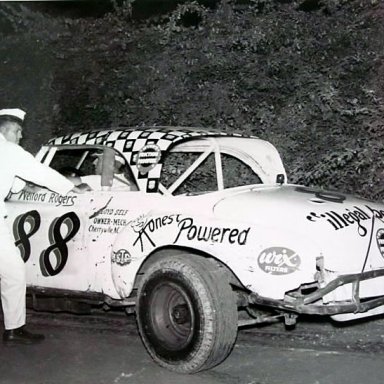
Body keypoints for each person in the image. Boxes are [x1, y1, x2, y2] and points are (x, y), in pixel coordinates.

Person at [0, 108, 86, 345]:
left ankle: (14, 329)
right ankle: (13, 330)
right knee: (12, 272)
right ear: (6, 129)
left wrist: (27, 189)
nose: (20, 137)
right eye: (18, 132)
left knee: (12, 271)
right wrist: (71, 188)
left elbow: (13, 181)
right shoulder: (8, 150)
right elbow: (40, 172)